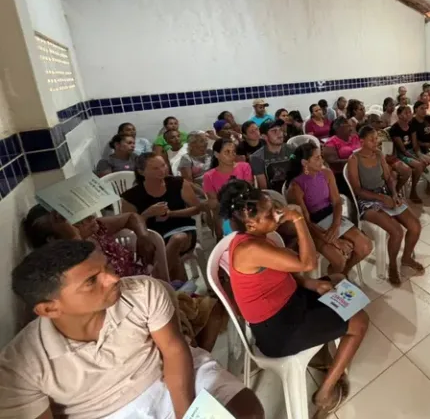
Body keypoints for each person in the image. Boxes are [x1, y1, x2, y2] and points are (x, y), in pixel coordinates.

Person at [0, 240, 263, 419]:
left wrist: (187, 414)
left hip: (169, 379)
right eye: (92, 281)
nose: (113, 278)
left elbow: (174, 351)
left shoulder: (142, 291)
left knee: (244, 410)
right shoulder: (21, 366)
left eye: (107, 267)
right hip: (106, 413)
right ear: (49, 309)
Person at [220, 181, 368, 415]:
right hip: (278, 330)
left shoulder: (258, 237)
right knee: (360, 321)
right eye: (270, 213)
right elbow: (308, 262)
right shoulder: (250, 249)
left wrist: (310, 283)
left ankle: (324, 354)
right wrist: (298, 219)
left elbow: (280, 275)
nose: (277, 216)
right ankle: (325, 394)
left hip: (291, 302)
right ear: (251, 223)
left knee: (338, 278)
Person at [348, 126, 424, 285]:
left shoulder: (378, 154)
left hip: (385, 194)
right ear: (362, 141)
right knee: (396, 231)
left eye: (376, 138)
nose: (376, 142)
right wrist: (380, 198)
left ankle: (406, 258)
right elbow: (357, 190)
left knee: (415, 226)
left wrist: (395, 194)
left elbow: (388, 178)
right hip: (367, 199)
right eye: (372, 139)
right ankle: (392, 267)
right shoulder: (354, 159)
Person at [286, 143, 372, 275]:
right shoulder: (295, 187)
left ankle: (342, 275)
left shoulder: (326, 173)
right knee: (339, 259)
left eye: (321, 156)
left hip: (331, 216)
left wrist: (335, 225)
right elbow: (306, 221)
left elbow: (337, 201)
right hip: (313, 226)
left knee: (365, 246)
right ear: (305, 162)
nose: (322, 160)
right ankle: (334, 278)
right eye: (317, 158)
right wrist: (333, 240)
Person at [121, 154, 201, 281]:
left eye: (163, 165)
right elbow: (127, 226)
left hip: (183, 228)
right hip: (153, 235)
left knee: (177, 239)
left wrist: (171, 213)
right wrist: (147, 214)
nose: (162, 171)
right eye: (155, 168)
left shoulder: (177, 183)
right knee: (167, 251)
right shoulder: (131, 196)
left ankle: (158, 279)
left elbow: (197, 208)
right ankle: (179, 289)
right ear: (141, 172)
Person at [22, 204, 156, 279]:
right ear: (54, 239)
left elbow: (131, 217)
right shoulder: (63, 266)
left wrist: (143, 236)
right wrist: (74, 238)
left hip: (144, 278)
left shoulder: (96, 229)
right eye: (76, 221)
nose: (90, 218)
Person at [366, 112, 412, 194]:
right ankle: (392, 194)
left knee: (407, 170)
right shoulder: (367, 135)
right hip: (378, 160)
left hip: (390, 157)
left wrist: (393, 154)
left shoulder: (383, 132)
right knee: (392, 175)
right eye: (378, 122)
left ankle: (396, 191)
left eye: (381, 122)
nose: (381, 124)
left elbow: (391, 144)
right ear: (371, 123)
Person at [388, 105, 425, 203]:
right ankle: (406, 191)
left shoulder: (411, 125)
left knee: (427, 160)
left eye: (410, 112)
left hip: (411, 151)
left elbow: (415, 145)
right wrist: (416, 159)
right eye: (406, 112)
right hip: (401, 154)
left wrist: (420, 155)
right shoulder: (395, 129)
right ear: (399, 115)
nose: (409, 114)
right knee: (419, 165)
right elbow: (402, 150)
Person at [250, 119, 294, 192]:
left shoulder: (292, 149)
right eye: (274, 131)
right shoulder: (257, 158)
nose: (279, 133)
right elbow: (264, 189)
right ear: (264, 137)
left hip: (293, 191)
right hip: (274, 196)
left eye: (280, 129)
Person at [410, 100, 430, 179]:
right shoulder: (413, 123)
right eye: (422, 108)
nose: (424, 111)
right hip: (423, 148)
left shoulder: (427, 118)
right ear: (416, 109)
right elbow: (415, 142)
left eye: (425, 108)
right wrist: (428, 145)